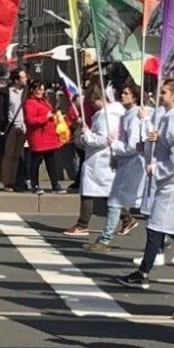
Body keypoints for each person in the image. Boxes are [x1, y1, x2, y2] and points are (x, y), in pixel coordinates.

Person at [117, 79, 174, 288]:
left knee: (158, 226)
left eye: (165, 92)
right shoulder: (165, 115)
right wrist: (147, 144)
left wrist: (158, 168)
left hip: (172, 181)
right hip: (165, 182)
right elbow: (158, 144)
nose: (160, 96)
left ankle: (143, 272)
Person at [88, 83, 145, 251]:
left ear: (134, 97)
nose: (122, 95)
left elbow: (133, 146)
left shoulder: (135, 116)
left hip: (134, 166)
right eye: (122, 92)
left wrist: (115, 145)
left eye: (127, 93)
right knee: (116, 202)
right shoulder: (125, 115)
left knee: (139, 205)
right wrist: (115, 156)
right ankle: (105, 238)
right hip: (125, 165)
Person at [67, 84, 116, 235]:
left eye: (92, 102)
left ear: (98, 99)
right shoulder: (105, 114)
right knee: (104, 192)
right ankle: (127, 219)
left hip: (99, 159)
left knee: (91, 190)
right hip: (98, 159)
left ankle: (82, 224)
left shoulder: (105, 116)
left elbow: (103, 139)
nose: (91, 106)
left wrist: (87, 134)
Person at [22, 81, 62, 195]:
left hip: (49, 136)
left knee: (51, 162)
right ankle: (35, 185)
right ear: (32, 90)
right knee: (36, 161)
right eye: (38, 89)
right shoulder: (30, 102)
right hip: (38, 136)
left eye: (42, 89)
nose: (40, 91)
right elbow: (30, 120)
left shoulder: (45, 101)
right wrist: (46, 117)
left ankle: (55, 184)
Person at [0, 68, 29, 191]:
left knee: (19, 156)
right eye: (23, 77)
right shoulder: (6, 92)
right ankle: (8, 182)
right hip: (12, 126)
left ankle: (18, 181)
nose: (26, 79)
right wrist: (3, 124)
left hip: (24, 127)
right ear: (16, 80)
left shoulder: (26, 91)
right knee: (8, 155)